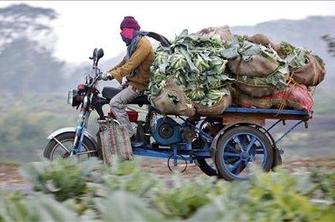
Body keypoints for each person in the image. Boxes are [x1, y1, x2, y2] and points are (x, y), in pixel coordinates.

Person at [101, 16, 154, 137]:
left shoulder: (143, 44)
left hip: (140, 85)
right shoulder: (133, 45)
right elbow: (123, 63)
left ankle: (129, 134)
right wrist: (107, 73)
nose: (123, 35)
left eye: (124, 31)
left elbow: (130, 65)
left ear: (132, 30)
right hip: (133, 83)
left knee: (115, 103)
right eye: (122, 32)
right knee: (110, 95)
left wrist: (113, 75)